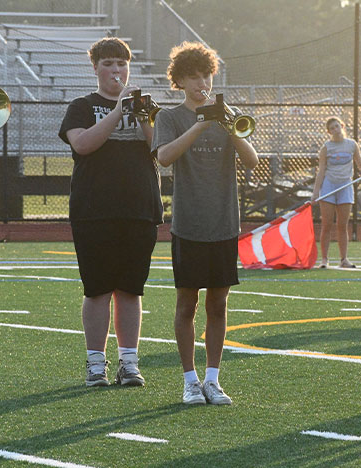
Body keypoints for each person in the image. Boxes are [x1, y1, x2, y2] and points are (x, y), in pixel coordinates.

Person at [152, 41, 258, 405]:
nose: (202, 82)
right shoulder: (169, 117)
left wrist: (226, 124)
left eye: (206, 75)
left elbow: (252, 160)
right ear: (179, 81)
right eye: (194, 76)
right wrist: (200, 125)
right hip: (189, 224)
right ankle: (189, 380)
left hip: (224, 224)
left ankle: (213, 379)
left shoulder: (228, 115)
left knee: (219, 304)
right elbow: (164, 157)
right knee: (186, 304)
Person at [59, 38, 163, 387]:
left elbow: (161, 150)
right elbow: (83, 145)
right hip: (94, 209)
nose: (115, 70)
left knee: (131, 290)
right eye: (108, 64)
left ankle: (129, 362)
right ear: (95, 68)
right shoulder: (82, 106)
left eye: (121, 64)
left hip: (139, 208)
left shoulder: (148, 107)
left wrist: (143, 114)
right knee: (98, 289)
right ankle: (95, 364)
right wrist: (119, 109)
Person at [311, 116, 361, 269]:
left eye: (337, 126)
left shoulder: (352, 145)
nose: (335, 130)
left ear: (342, 126)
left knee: (342, 225)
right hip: (329, 186)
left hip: (346, 186)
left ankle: (344, 259)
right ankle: (324, 260)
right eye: (332, 129)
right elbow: (321, 170)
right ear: (328, 132)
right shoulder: (326, 148)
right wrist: (316, 192)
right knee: (326, 224)